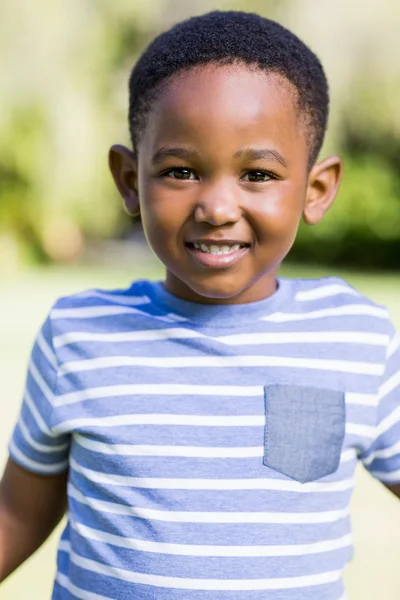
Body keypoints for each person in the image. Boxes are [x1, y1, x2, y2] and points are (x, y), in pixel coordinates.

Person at [0, 10, 399, 600]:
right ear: (131, 181)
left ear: (315, 191)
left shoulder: (357, 339)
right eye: (181, 170)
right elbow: (18, 511)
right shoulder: (78, 336)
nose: (216, 206)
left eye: (257, 174)